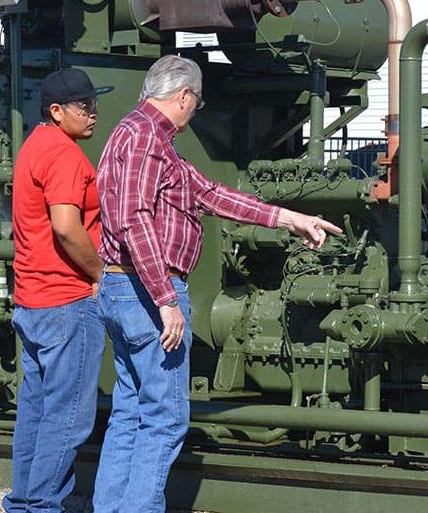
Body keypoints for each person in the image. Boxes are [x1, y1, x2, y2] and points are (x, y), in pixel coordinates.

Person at [93, 55, 341, 512]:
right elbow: (133, 220)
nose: (194, 112)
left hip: (121, 287)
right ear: (184, 96)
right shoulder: (147, 139)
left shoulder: (139, 137)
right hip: (147, 293)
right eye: (197, 103)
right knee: (165, 418)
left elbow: (210, 194)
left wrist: (291, 218)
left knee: (130, 412)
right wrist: (165, 298)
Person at [4, 68, 113, 513]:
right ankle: (44, 506)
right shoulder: (65, 155)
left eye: (94, 103)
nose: (94, 114)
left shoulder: (34, 145)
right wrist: (99, 273)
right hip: (67, 301)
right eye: (84, 107)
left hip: (32, 300)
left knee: (36, 410)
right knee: (69, 417)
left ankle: (26, 501)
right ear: (56, 111)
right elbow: (66, 227)